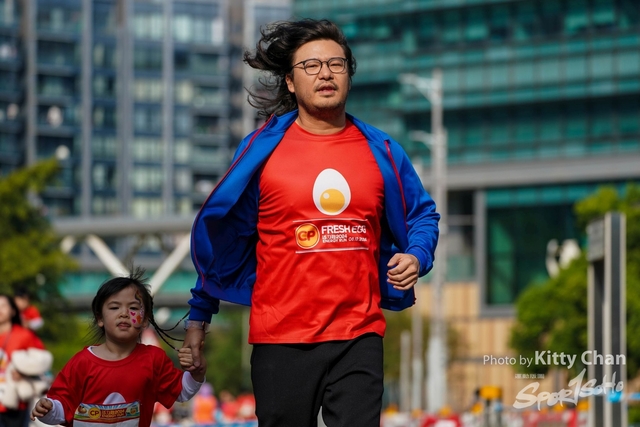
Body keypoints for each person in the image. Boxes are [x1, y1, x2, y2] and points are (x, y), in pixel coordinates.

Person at [183, 18, 440, 427]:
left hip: (359, 334)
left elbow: (422, 214)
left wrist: (417, 255)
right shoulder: (261, 151)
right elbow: (225, 234)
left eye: (336, 64)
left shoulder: (383, 150)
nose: (325, 74)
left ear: (349, 75)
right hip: (280, 339)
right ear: (290, 81)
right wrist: (199, 315)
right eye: (311, 66)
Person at [31, 270, 207, 427]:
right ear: (100, 318)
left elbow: (182, 392)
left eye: (133, 308)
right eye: (115, 307)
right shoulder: (81, 363)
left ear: (145, 320)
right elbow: (63, 407)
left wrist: (197, 370)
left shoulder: (154, 359)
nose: (124, 313)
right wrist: (48, 409)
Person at [0, 294, 46, 427]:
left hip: (16, 403)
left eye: (3, 306)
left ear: (13, 311)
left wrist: (24, 372)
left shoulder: (24, 335)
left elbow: (41, 362)